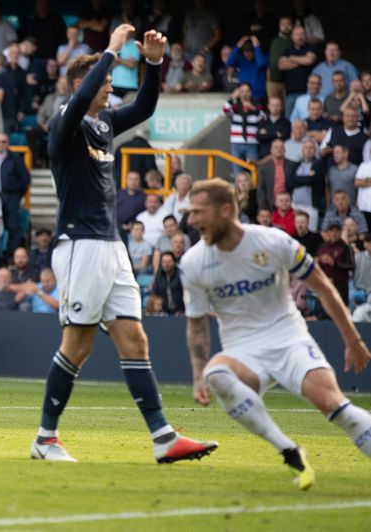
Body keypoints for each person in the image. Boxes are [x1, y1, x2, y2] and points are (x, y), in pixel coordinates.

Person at [35, 24, 215, 464]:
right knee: (78, 345)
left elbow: (146, 106)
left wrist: (154, 62)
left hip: (111, 246)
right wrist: (111, 52)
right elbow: (79, 101)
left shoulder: (104, 122)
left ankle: (163, 437)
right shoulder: (64, 122)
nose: (111, 90)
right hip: (80, 245)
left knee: (135, 340)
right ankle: (45, 438)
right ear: (84, 83)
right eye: (106, 82)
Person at [182, 178, 371, 490]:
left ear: (226, 210)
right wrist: (197, 374)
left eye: (199, 212)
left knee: (338, 410)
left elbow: (323, 286)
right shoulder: (193, 263)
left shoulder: (273, 242)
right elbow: (197, 322)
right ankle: (288, 450)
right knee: (216, 374)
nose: (192, 220)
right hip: (242, 349)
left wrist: (353, 339)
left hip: (288, 338)